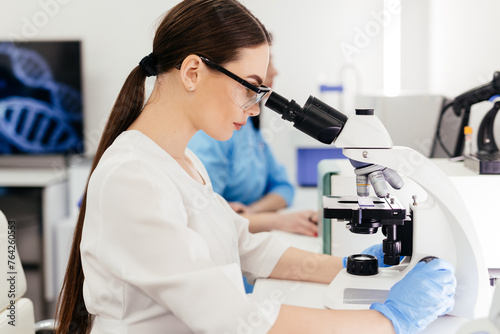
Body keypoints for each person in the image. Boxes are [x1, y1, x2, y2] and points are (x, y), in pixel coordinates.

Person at [55, 1, 456, 333]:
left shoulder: (183, 161)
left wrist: (352, 266)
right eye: (250, 87)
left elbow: (246, 247)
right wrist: (387, 322)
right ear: (193, 72)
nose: (255, 106)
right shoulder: (133, 175)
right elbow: (229, 317)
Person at [188, 54, 319, 237]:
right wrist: (278, 221)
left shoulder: (248, 126)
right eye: (268, 62)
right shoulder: (214, 132)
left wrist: (252, 211)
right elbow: (204, 217)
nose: (274, 71)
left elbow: (283, 187)